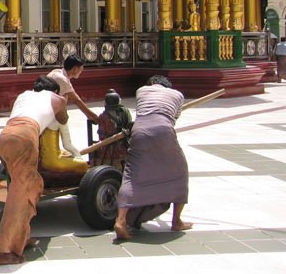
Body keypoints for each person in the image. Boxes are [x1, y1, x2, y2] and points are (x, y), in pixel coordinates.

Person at [0, 76, 68, 265]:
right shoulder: (56, 98)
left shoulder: (23, 95)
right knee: (18, 195)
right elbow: (63, 119)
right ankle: (2, 251)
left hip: (5, 137)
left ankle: (21, 237)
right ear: (54, 91)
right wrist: (63, 101)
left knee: (31, 186)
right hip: (25, 137)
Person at [114, 75, 191, 240]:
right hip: (164, 128)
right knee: (180, 172)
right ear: (167, 86)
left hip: (139, 130)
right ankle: (176, 221)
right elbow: (174, 119)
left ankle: (120, 221)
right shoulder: (177, 95)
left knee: (130, 176)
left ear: (150, 84)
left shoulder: (141, 90)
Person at [46, 54, 97, 158]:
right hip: (51, 114)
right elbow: (76, 100)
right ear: (75, 68)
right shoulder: (62, 79)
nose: (81, 72)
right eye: (80, 70)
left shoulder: (57, 73)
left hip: (45, 110)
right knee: (68, 144)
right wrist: (93, 116)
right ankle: (77, 156)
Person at [94, 88, 133, 169]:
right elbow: (130, 127)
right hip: (125, 147)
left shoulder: (103, 116)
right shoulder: (125, 111)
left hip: (107, 149)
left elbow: (101, 135)